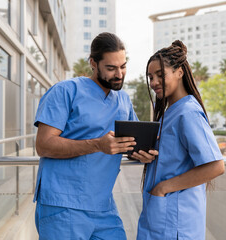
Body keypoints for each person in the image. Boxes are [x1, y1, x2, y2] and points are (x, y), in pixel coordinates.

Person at [33, 32, 157, 240]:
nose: (119, 74)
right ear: (93, 63)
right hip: (62, 205)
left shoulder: (123, 100)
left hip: (103, 206)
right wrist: (97, 145)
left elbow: (133, 142)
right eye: (111, 68)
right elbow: (44, 145)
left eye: (123, 66)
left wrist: (141, 154)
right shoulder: (65, 91)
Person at [136, 40, 225, 240]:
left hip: (175, 221)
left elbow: (216, 166)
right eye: (150, 77)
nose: (153, 82)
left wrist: (163, 188)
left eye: (160, 75)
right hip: (161, 215)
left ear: (179, 72)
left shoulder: (188, 113)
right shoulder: (171, 113)